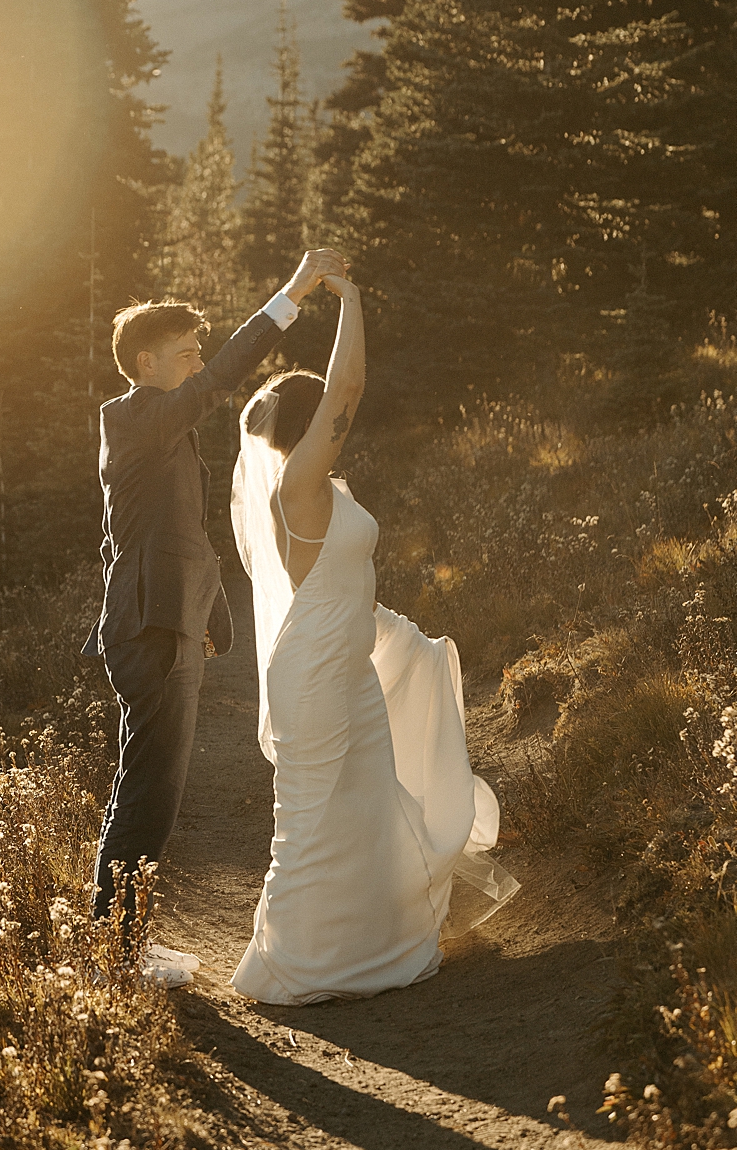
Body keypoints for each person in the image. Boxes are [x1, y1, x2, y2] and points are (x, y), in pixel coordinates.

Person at [230, 273, 519, 1005]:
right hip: (314, 677)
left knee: (359, 811)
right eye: (326, 411)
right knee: (309, 822)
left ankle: (361, 949)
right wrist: (352, 297)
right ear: (311, 421)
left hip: (345, 666)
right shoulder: (297, 486)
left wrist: (395, 633)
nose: (340, 416)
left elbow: (337, 582)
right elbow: (350, 385)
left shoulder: (326, 490)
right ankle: (291, 965)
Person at [83, 248, 347, 985]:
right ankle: (116, 953)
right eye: (186, 352)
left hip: (165, 621)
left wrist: (211, 609)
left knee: (154, 786)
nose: (199, 360)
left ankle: (123, 937)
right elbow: (226, 374)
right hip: (148, 630)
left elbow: (179, 533)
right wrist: (292, 294)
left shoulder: (161, 428)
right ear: (145, 362)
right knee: (149, 786)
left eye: (198, 348)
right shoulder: (135, 418)